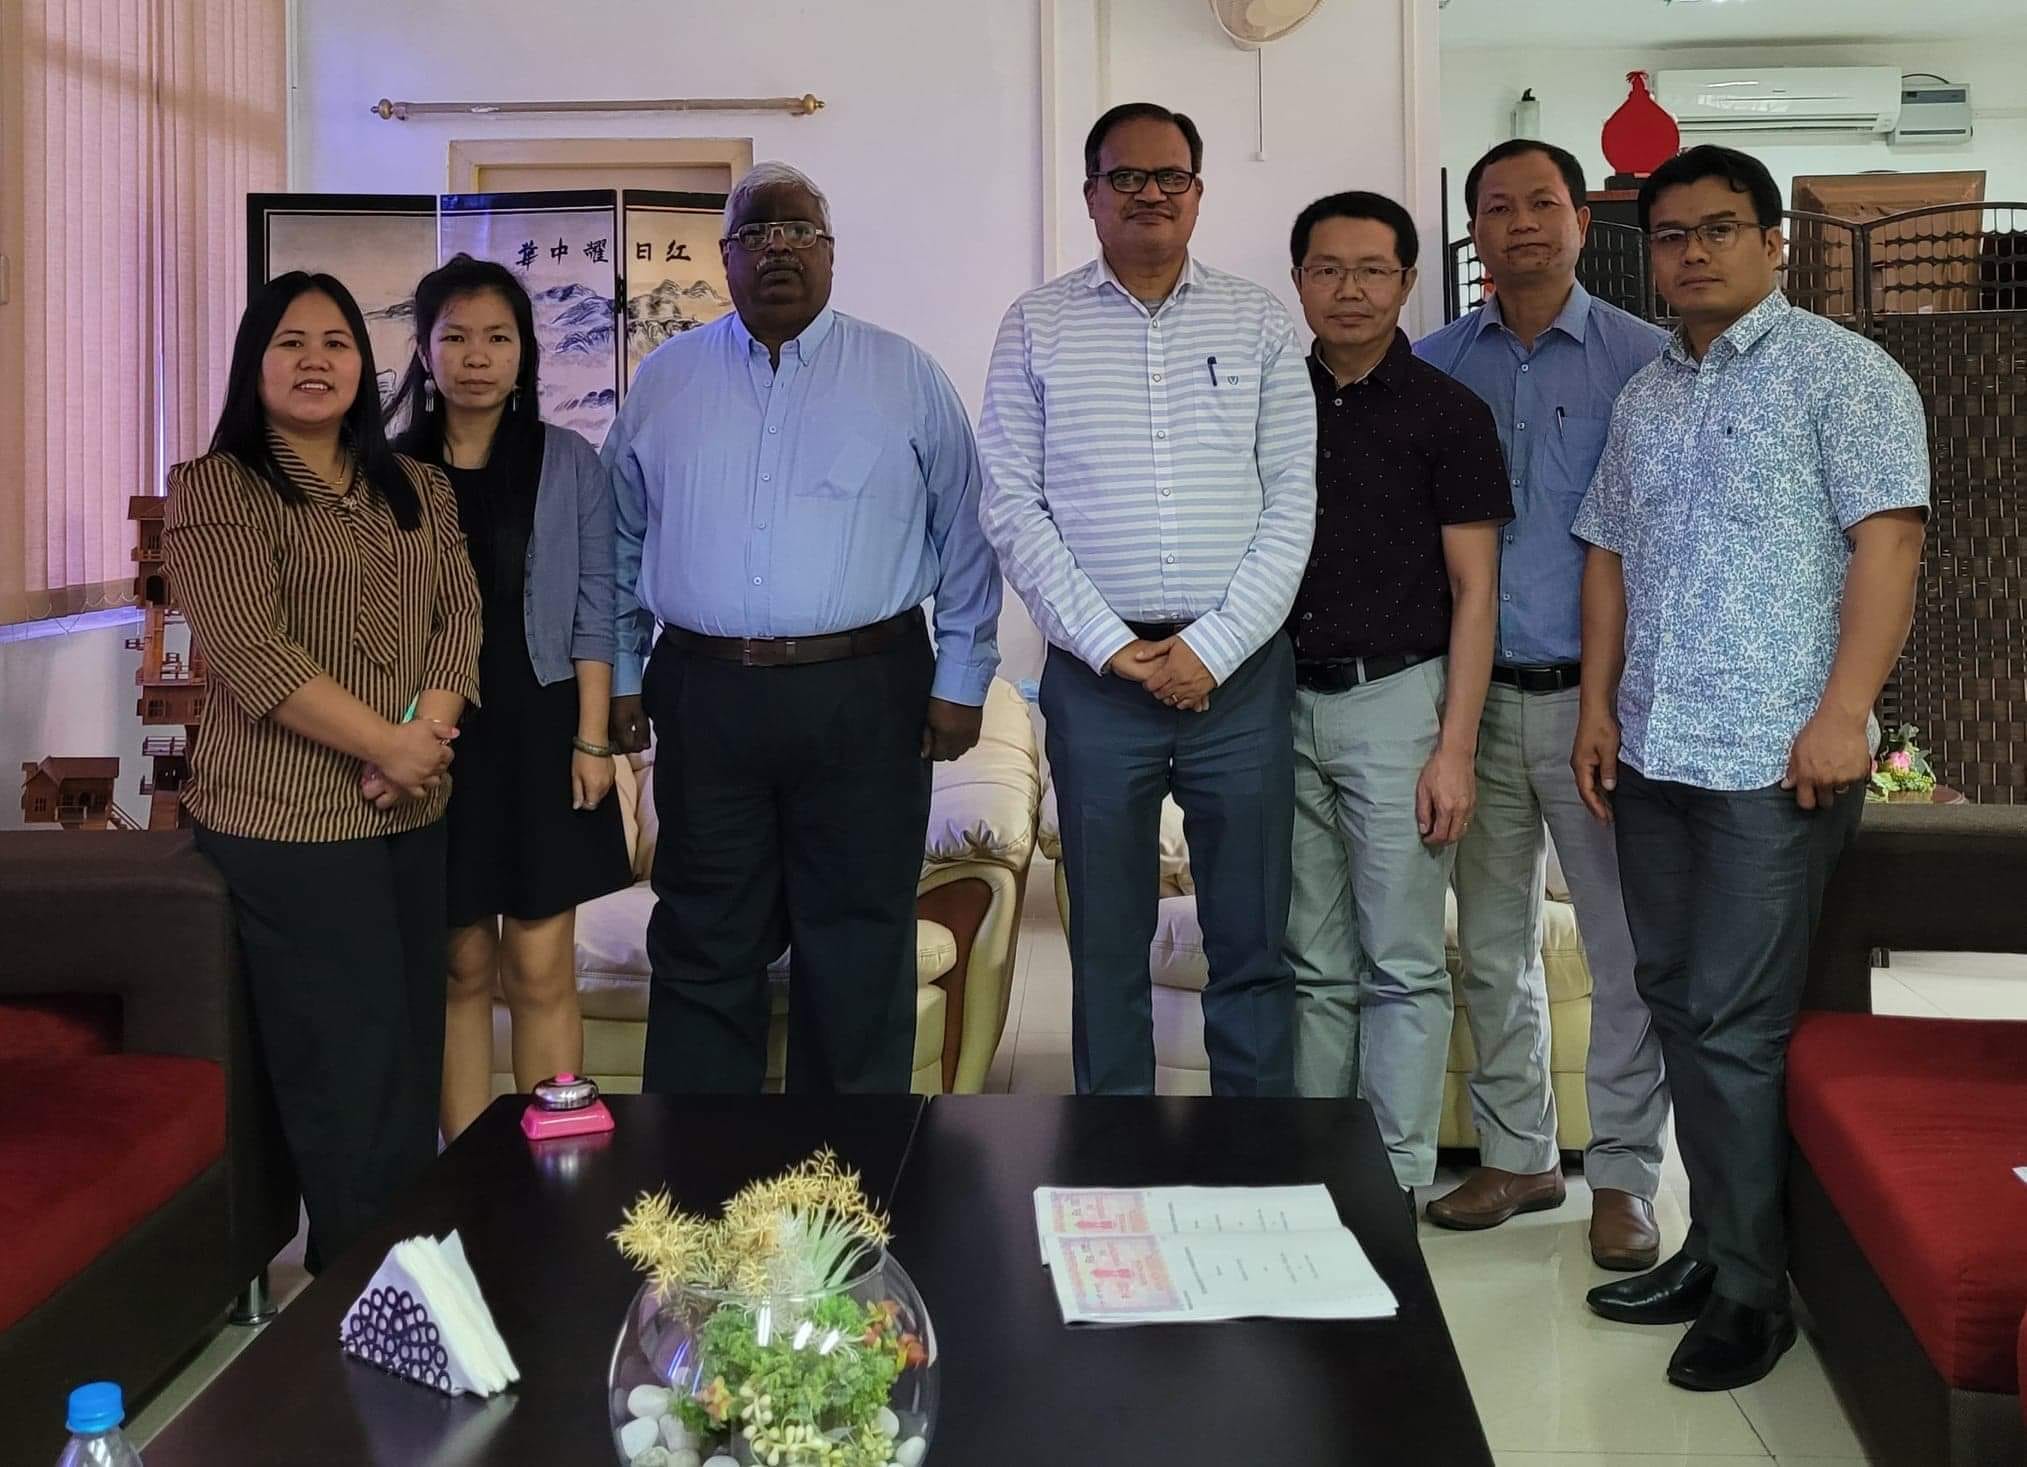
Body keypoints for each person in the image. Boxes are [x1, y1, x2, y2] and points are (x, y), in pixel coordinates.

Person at [1572, 145, 1928, 1390]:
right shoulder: (1647, 396)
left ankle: (1750, 1292)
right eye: (1669, 236)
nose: (1691, 253)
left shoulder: (1847, 377)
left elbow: (1885, 547)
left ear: (1772, 240)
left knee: (1734, 1025)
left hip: (1775, 760)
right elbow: (1605, 556)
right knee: (1673, 999)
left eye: (1718, 229)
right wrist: (1597, 708)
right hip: (1656, 749)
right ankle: (1713, 1245)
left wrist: (1846, 712)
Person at [605, 162, 1001, 1095]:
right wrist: (622, 673)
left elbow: (967, 534)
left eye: (798, 234)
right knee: (705, 931)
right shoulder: (665, 382)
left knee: (857, 936)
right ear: (724, 258)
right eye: (755, 235)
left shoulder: (904, 375)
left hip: (867, 693)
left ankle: (846, 1184)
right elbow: (619, 540)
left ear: (831, 253)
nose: (777, 252)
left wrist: (962, 679)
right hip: (705, 693)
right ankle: (701, 1175)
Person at [980, 102, 1316, 1096]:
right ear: (1090, 195)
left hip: (1239, 680)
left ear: (1198, 194)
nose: (1149, 195)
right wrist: (1104, 644)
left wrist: (1211, 647)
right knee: (1106, 949)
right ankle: (1114, 1158)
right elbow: (1010, 502)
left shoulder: (1256, 320)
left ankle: (1254, 1157)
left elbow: (1290, 504)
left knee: (1251, 943)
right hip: (1096, 682)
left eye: (1169, 177)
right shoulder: (1035, 324)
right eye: (1125, 177)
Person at [163, 272, 482, 1271]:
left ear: (364, 363)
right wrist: (385, 746)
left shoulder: (417, 486)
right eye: (289, 341)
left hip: (410, 813)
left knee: (403, 1055)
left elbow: (458, 618)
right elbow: (252, 650)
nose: (315, 360)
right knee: (342, 1071)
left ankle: (407, 1265)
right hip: (286, 826)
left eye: (336, 342)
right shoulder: (218, 487)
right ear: (253, 364)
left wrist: (424, 736)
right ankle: (364, 1280)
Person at [1414, 140, 1672, 1262]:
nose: (1520, 223)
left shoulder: (1648, 363)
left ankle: (1620, 1175)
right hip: (1463, 706)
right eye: (1495, 207)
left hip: (1596, 709)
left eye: (1541, 204)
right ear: (1473, 229)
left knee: (1621, 950)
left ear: (1578, 220)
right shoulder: (1427, 366)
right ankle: (1519, 1158)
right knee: (1489, 945)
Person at [1282, 191, 1507, 1192]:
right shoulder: (1270, 400)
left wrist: (1451, 748)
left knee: (1402, 964)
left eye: (1371, 270)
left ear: (1407, 282)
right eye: (1325, 269)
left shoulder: (1448, 414)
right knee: (1311, 966)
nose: (1347, 289)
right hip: (1278, 704)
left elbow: (1475, 592)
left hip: (1398, 708)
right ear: (1296, 281)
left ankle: (1394, 1183)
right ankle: (1317, 1172)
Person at [388, 254, 632, 1142]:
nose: (477, 356)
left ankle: (552, 1160)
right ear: (424, 350)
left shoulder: (568, 461)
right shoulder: (387, 467)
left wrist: (593, 739)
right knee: (459, 963)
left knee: (538, 961)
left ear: (524, 353)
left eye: (497, 337)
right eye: (455, 337)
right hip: (433, 732)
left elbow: (600, 602)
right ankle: (467, 1166)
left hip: (541, 724)